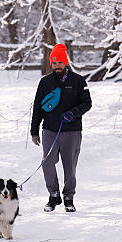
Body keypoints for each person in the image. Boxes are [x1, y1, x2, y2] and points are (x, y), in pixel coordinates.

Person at [30, 43, 92, 213]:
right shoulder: (45, 82)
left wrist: (73, 113)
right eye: (54, 63)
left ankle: (69, 197)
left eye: (60, 62)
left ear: (65, 63)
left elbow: (87, 103)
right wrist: (34, 131)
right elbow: (38, 107)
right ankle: (54, 194)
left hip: (72, 131)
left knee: (69, 166)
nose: (57, 66)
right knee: (47, 162)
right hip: (49, 130)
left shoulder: (78, 81)